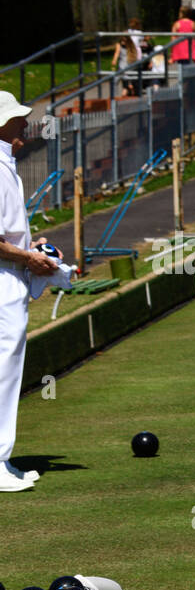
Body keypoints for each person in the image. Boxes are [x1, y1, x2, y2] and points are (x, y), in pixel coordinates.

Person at [0, 92, 73, 492]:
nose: (24, 126)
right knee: (3, 371)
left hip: (8, 274)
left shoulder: (5, 165)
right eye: (16, 120)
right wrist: (28, 258)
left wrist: (31, 249)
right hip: (1, 280)